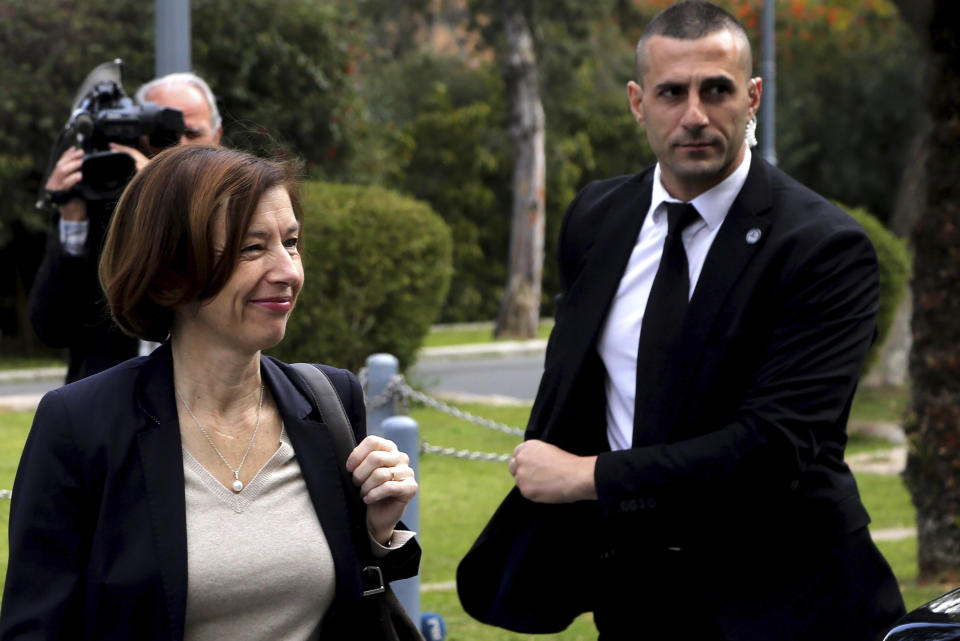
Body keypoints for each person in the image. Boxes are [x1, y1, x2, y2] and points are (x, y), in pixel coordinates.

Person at [457, 2, 905, 640]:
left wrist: (587, 478)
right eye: (672, 92)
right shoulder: (595, 217)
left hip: (788, 602)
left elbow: (772, 449)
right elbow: (578, 388)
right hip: (637, 602)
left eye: (716, 90)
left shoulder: (821, 247)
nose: (694, 114)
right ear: (639, 103)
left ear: (752, 98)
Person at [0, 145, 420, 639]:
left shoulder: (330, 400)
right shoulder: (80, 424)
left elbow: (354, 604)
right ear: (168, 270)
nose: (288, 271)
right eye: (251, 248)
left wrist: (376, 531)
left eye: (291, 242)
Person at [30, 72, 222, 383]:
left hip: (203, 399)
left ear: (217, 136)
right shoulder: (104, 204)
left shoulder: (239, 207)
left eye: (192, 133)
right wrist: (72, 219)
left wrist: (160, 199)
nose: (179, 148)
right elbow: (51, 329)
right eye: (163, 136)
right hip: (106, 410)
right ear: (138, 136)